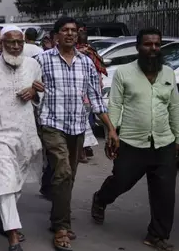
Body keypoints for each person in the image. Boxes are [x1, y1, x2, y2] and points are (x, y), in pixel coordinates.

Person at [91, 28, 179, 251]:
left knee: (165, 192)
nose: (153, 49)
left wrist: (178, 138)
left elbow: (174, 107)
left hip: (164, 143)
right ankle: (101, 199)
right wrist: (112, 132)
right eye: (148, 45)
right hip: (131, 141)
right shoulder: (123, 73)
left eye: (157, 45)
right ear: (138, 47)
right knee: (121, 181)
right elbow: (116, 105)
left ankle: (157, 235)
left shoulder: (168, 73)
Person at [35, 16, 117, 251]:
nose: (70, 34)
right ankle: (61, 226)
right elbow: (26, 82)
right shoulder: (41, 60)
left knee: (68, 176)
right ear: (56, 35)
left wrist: (110, 129)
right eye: (65, 30)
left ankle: (57, 217)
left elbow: (95, 98)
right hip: (52, 124)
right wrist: (32, 87)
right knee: (62, 171)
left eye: (74, 30)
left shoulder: (86, 62)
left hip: (78, 126)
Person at [0, 26, 43, 251]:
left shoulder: (34, 65)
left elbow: (41, 95)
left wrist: (35, 93)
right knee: (6, 182)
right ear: (1, 44)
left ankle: (2, 211)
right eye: (10, 43)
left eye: (19, 43)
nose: (15, 47)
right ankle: (13, 234)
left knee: (16, 182)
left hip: (26, 132)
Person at [76, 22, 106, 163]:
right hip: (81, 94)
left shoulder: (88, 52)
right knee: (84, 122)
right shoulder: (75, 52)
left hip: (88, 94)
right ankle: (83, 149)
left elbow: (98, 71)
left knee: (86, 123)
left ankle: (83, 149)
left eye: (83, 31)